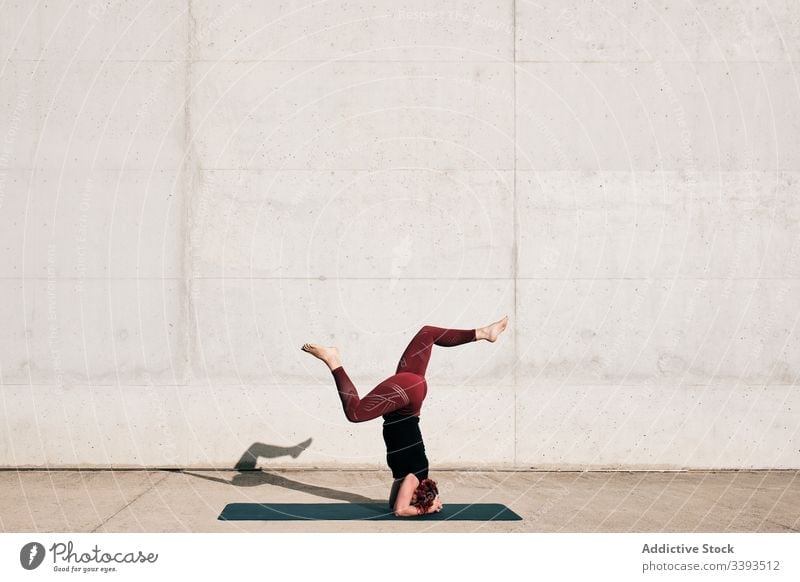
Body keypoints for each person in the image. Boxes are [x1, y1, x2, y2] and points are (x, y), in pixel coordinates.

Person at [301, 315, 509, 517]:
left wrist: (429, 502)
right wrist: (427, 508)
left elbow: (394, 504)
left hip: (409, 395)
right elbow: (400, 510)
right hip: (407, 396)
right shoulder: (413, 478)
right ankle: (333, 359)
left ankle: (483, 333)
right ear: (415, 496)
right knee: (355, 413)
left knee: (428, 333)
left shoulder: (408, 477)